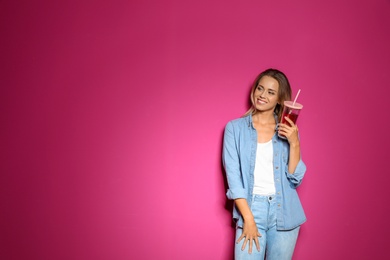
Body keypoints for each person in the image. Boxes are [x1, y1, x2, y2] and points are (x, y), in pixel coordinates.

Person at [222, 68, 307, 259]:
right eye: (260, 88)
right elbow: (233, 178)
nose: (262, 95)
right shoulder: (234, 129)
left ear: (280, 99)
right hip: (252, 208)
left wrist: (294, 142)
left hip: (285, 211)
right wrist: (249, 219)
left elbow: (295, 178)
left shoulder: (288, 129)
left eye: (270, 92)